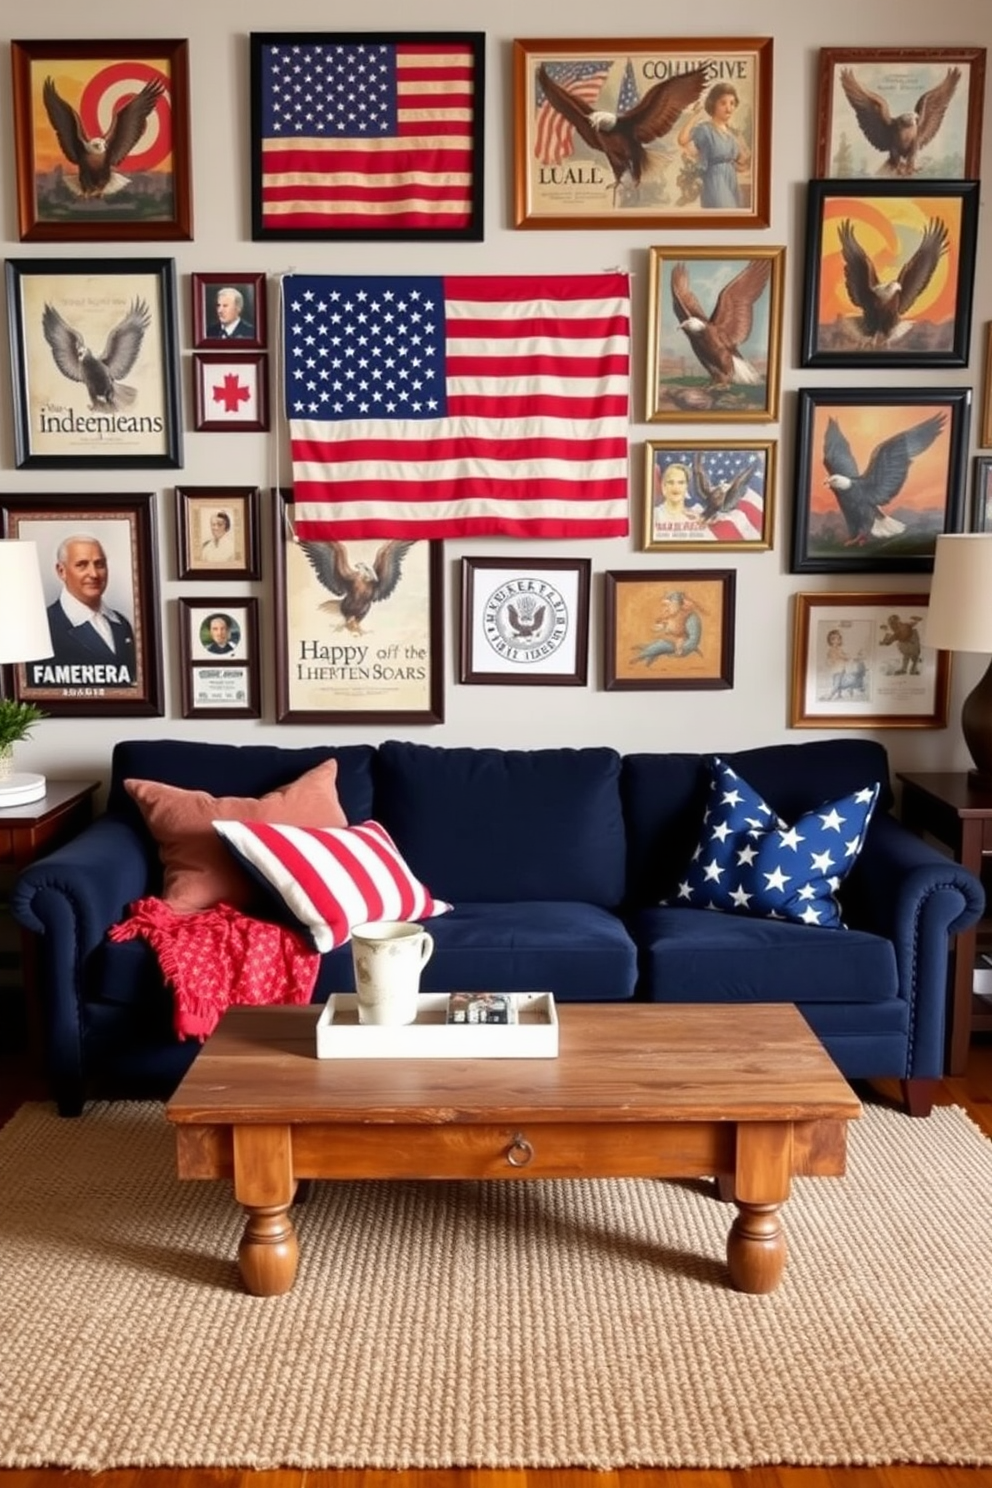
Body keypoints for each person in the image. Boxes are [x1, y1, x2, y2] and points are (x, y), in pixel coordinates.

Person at [35, 534, 137, 684]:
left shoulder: (121, 624)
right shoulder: (42, 627)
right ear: (61, 571)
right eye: (82, 565)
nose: (94, 574)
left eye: (99, 564)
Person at [677, 82, 751, 210]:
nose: (729, 108)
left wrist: (740, 162)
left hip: (731, 181)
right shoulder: (705, 129)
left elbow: (742, 161)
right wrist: (694, 116)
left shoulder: (732, 133)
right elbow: (682, 140)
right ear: (713, 105)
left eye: (732, 103)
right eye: (723, 103)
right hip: (714, 181)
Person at [631, 591, 703, 666]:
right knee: (657, 645)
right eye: (666, 605)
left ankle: (640, 657)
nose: (667, 608)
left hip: (682, 647)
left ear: (677, 604)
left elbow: (693, 640)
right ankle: (644, 658)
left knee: (659, 646)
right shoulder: (673, 614)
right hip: (672, 642)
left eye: (669, 605)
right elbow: (673, 628)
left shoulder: (691, 618)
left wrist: (682, 649)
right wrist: (663, 627)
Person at [652, 460, 705, 538]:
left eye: (681, 482)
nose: (676, 487)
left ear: (687, 487)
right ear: (663, 487)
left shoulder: (698, 513)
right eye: (670, 482)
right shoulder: (653, 515)